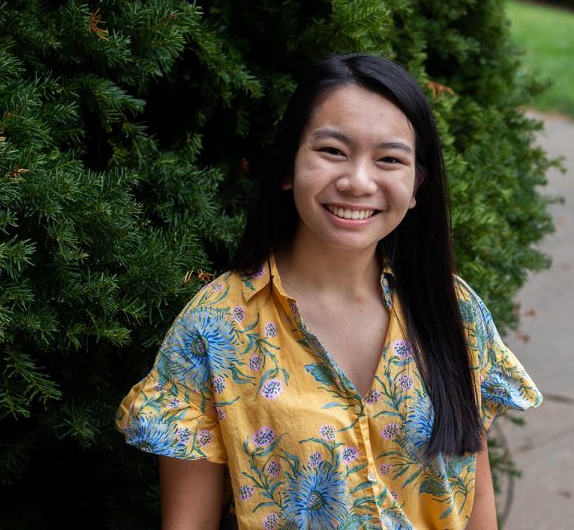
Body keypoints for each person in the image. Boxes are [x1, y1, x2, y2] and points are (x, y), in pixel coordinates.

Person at [115, 54, 542, 530]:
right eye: (333, 151)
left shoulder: (453, 309)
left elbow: (476, 496)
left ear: (417, 183)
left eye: (389, 159)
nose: (358, 182)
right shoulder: (213, 330)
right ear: (287, 167)